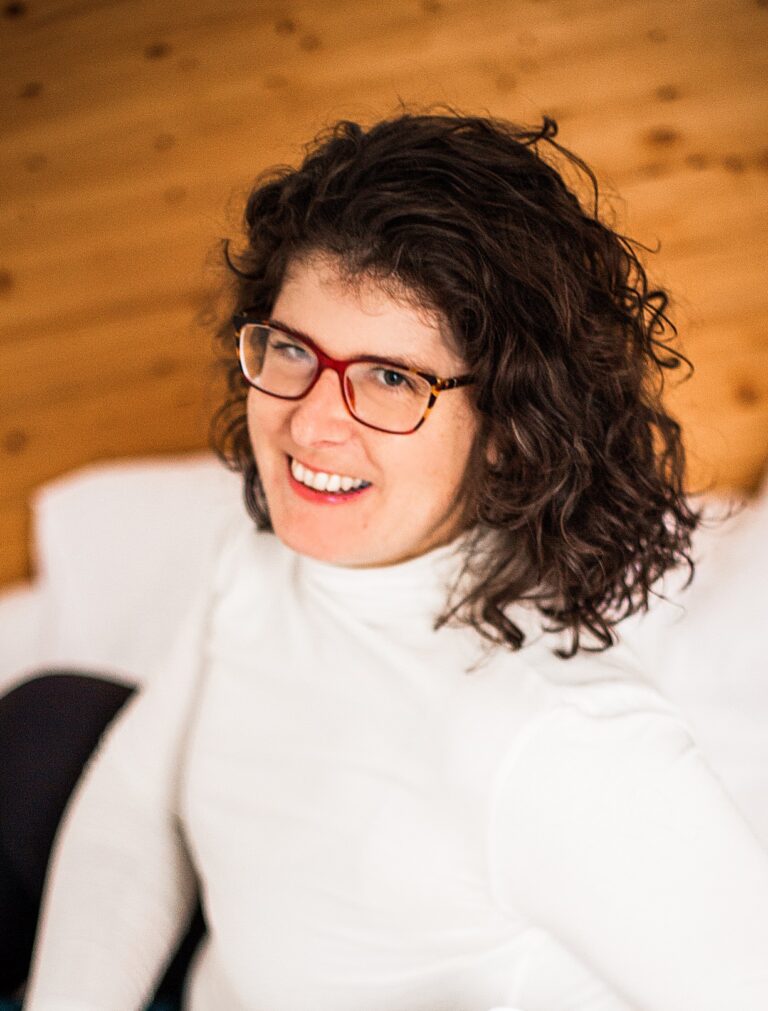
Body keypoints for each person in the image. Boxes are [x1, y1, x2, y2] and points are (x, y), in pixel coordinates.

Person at [9, 110, 768, 1011]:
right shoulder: (261, 554)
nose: (309, 424)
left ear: (509, 426)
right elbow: (137, 802)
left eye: (392, 377)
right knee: (49, 723)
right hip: (220, 976)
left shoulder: (569, 746)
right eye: (293, 350)